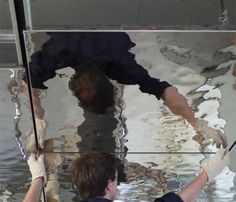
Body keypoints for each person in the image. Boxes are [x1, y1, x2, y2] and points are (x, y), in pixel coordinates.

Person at [23, 32, 227, 150]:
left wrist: (197, 123)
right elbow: (28, 82)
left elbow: (167, 91)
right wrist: (38, 121)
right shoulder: (59, 53)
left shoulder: (121, 66)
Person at [16, 148, 230, 202]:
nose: (117, 185)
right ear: (110, 184)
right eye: (116, 180)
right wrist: (207, 173)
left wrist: (38, 178)